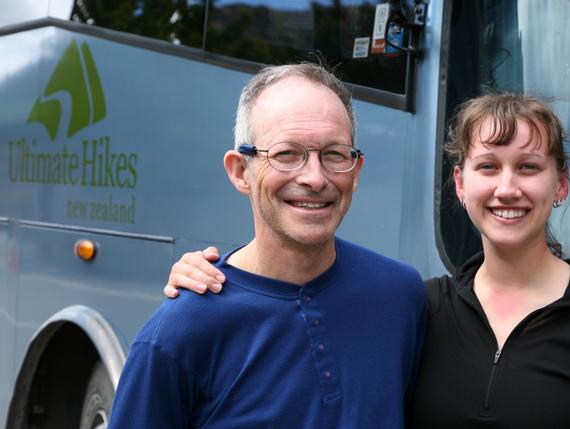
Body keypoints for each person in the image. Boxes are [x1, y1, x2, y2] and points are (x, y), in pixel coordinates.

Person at [164, 93, 570, 428]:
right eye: (488, 166)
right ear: (460, 183)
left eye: (528, 167)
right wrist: (218, 281)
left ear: (560, 184)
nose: (507, 188)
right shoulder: (416, 307)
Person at [109, 63, 427, 428]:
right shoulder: (180, 331)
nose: (313, 177)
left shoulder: (400, 295)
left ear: (355, 171)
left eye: (335, 154)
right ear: (241, 172)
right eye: (287, 154)